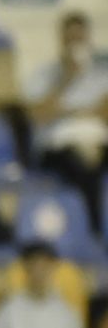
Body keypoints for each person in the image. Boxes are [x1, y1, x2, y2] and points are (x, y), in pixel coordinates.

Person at [24, 13, 108, 231]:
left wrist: (66, 110)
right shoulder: (44, 74)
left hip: (97, 143)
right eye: (71, 39)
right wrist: (66, 80)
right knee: (84, 172)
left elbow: (104, 112)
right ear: (61, 41)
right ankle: (94, 233)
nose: (75, 45)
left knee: (93, 163)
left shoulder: (100, 75)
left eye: (80, 39)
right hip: (58, 147)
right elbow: (38, 114)